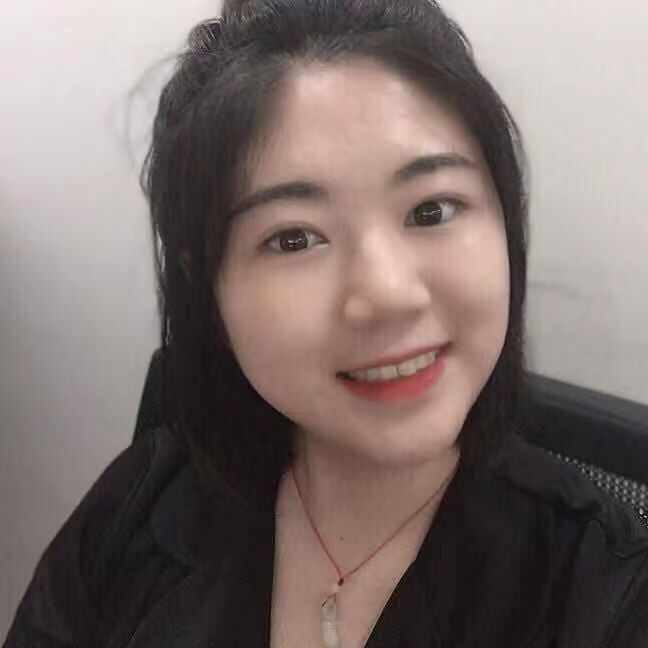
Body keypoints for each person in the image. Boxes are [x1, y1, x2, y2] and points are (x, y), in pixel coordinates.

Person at [5, 0, 648, 646]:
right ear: (206, 281)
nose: (387, 295)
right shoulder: (138, 510)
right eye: (294, 239)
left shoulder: (608, 595)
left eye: (431, 210)